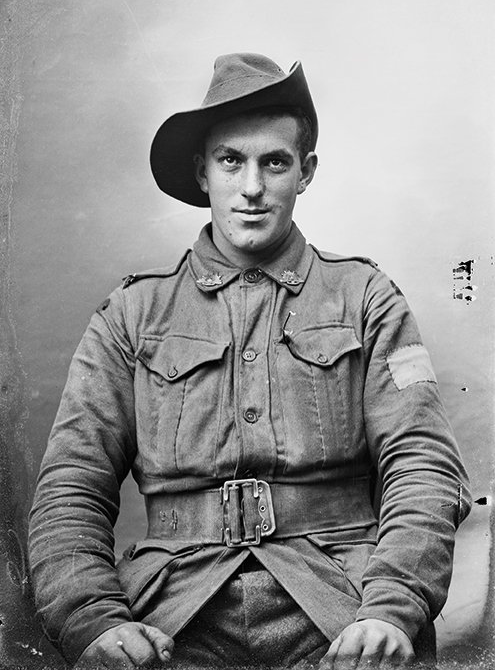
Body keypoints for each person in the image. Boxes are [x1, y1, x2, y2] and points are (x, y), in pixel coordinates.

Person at [29, 53, 471, 670]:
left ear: (306, 172)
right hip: (172, 613)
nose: (254, 188)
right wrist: (91, 620)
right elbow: (71, 486)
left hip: (340, 606)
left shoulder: (366, 298)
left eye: (275, 162)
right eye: (232, 161)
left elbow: (422, 465)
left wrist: (391, 608)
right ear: (202, 172)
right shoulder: (132, 313)